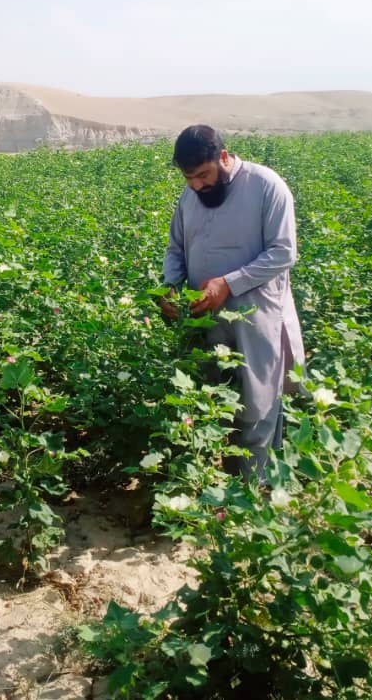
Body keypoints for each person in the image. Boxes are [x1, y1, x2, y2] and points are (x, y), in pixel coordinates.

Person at [160, 124, 304, 486]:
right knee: (212, 399)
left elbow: (283, 252)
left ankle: (253, 494)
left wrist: (229, 282)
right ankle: (215, 488)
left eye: (203, 175)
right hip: (205, 319)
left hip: (257, 317)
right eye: (189, 178)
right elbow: (176, 249)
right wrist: (169, 287)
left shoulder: (267, 186)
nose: (196, 185)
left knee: (259, 402)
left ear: (223, 157)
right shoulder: (189, 196)